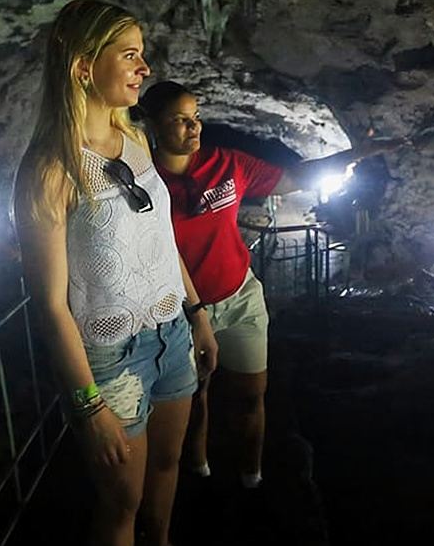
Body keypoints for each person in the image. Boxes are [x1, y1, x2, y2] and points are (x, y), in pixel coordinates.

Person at [13, 0, 218, 546]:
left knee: (165, 464)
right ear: (82, 66)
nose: (143, 65)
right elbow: (49, 304)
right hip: (111, 355)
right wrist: (87, 405)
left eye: (140, 51)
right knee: (120, 499)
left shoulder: (134, 138)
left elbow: (161, 237)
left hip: (170, 331)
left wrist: (197, 312)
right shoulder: (49, 170)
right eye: (128, 53)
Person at [136, 80, 401, 490]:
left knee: (251, 395)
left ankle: (252, 475)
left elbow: (294, 176)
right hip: (179, 310)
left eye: (197, 118)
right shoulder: (143, 183)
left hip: (239, 298)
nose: (194, 128)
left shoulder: (227, 164)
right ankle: (199, 471)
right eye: (180, 121)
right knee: (196, 396)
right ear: (152, 125)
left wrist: (356, 154)